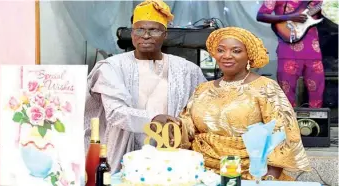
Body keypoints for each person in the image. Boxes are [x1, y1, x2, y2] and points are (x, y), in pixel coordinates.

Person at [154, 27, 311, 181]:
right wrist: (171, 122)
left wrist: (270, 176)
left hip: (251, 172)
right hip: (200, 170)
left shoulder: (265, 87)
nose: (226, 56)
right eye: (221, 50)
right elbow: (189, 126)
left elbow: (283, 131)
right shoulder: (203, 89)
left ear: (249, 55)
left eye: (236, 51)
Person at [84, 0, 206, 173]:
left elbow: (200, 112)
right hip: (121, 151)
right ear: (132, 33)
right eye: (139, 29)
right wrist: (155, 118)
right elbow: (115, 112)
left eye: (154, 30)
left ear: (165, 34)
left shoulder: (188, 70)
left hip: (172, 156)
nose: (146, 35)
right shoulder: (111, 67)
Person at [256, 0, 325, 108]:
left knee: (317, 92)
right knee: (286, 94)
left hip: (313, 50)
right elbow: (261, 15)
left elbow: (329, 13)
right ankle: (288, 122)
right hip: (287, 49)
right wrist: (290, 17)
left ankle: (315, 123)